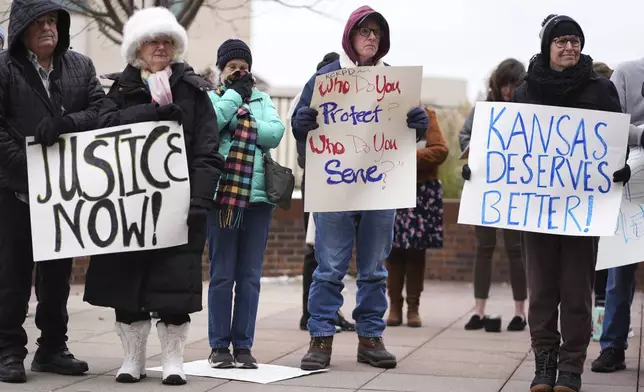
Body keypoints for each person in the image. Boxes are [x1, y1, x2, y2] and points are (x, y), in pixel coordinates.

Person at [467, 14, 629, 392]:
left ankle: (571, 366)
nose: (569, 47)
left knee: (576, 289)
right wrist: (481, 171)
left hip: (583, 209)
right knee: (541, 289)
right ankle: (544, 361)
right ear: (547, 46)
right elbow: (506, 147)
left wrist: (618, 168)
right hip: (536, 210)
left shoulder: (601, 90)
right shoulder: (526, 91)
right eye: (561, 41)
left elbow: (615, 140)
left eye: (575, 40)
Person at [82, 7, 223, 386]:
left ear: (175, 46)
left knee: (175, 283)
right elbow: (101, 130)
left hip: (179, 207)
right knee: (127, 285)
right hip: (128, 208)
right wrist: (151, 112)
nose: (160, 47)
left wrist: (200, 200)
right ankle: (133, 358)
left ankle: (173, 359)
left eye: (167, 41)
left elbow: (208, 150)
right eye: (152, 41)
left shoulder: (194, 92)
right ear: (137, 49)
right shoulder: (120, 91)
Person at [291, 5, 429, 371]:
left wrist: (419, 125)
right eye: (364, 31)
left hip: (379, 186)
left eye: (377, 33)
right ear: (350, 35)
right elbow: (301, 123)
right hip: (335, 185)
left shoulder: (394, 82)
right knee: (329, 266)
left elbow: (409, 135)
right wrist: (301, 122)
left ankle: (370, 338)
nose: (371, 38)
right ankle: (320, 337)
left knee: (374, 268)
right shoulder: (325, 77)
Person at [0, 0, 105, 383]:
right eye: (38, 22)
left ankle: (52, 348)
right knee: (12, 276)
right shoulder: (4, 68)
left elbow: (101, 110)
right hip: (15, 192)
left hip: (63, 194)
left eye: (53, 21)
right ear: (22, 29)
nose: (48, 28)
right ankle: (8, 351)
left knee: (57, 276)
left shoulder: (80, 66)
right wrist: (30, 165)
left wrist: (65, 123)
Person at [205, 39, 285, 370]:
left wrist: (242, 119)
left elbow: (275, 133)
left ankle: (244, 345)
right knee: (222, 274)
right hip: (223, 197)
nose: (239, 72)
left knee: (250, 276)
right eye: (232, 67)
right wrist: (235, 98)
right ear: (221, 71)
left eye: (244, 67)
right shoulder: (212, 97)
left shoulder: (264, 99)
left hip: (258, 200)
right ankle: (219, 346)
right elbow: (211, 124)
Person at [288, 51, 355, 333]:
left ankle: (327, 311)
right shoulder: (306, 100)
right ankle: (310, 312)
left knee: (331, 252)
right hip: (319, 181)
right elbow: (299, 138)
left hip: (342, 181)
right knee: (316, 249)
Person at [460, 59, 528, 333]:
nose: (508, 90)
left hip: (515, 189)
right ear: (496, 84)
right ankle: (479, 310)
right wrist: (470, 159)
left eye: (513, 84)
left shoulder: (528, 112)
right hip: (486, 187)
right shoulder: (484, 110)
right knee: (484, 247)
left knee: (516, 250)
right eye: (504, 84)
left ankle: (520, 312)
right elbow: (465, 136)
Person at [590, 55, 644, 373]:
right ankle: (612, 346)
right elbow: (609, 125)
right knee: (619, 270)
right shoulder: (626, 72)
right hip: (631, 176)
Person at [386, 107, 448, 328]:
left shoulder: (427, 114)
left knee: (416, 252)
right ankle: (394, 306)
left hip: (421, 192)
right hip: (392, 189)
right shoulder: (387, 112)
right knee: (392, 250)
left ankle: (413, 307)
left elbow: (440, 150)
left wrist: (406, 157)